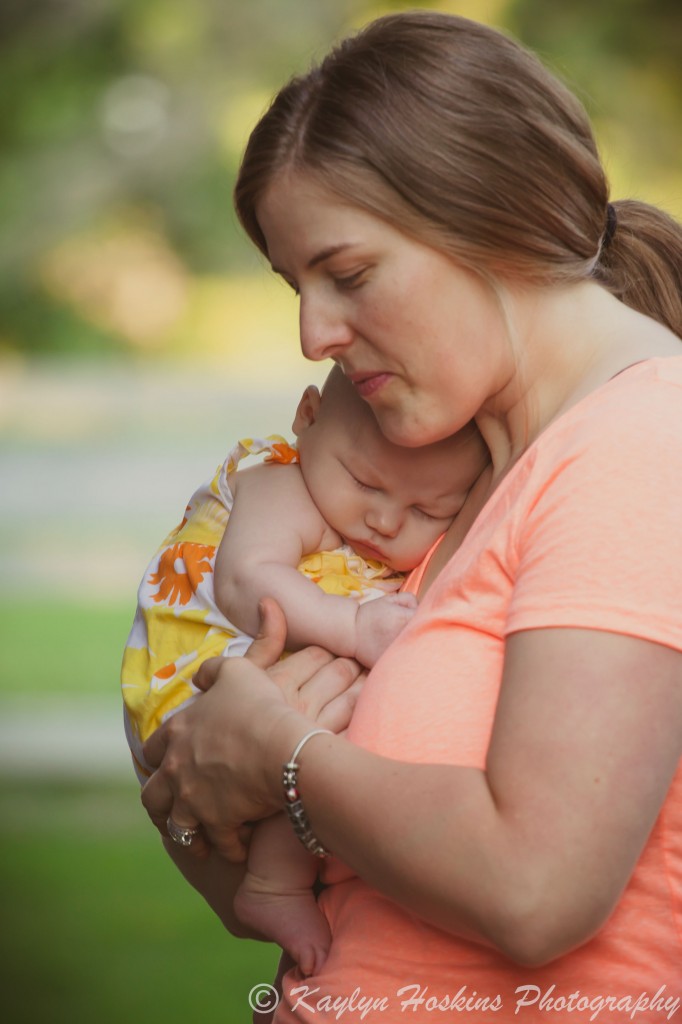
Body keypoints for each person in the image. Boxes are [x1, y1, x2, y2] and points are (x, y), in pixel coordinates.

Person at [139, 10, 682, 1021]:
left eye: (346, 275)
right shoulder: (442, 479)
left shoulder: (643, 441)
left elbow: (537, 888)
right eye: (293, 284)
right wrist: (198, 778)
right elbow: (324, 896)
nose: (311, 333)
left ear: (491, 213)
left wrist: (281, 755)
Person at [122, 363, 487, 977]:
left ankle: (273, 877)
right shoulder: (280, 481)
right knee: (320, 734)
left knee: (326, 736)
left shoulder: (353, 501)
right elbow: (247, 582)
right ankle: (272, 884)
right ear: (307, 418)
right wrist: (352, 627)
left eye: (429, 509)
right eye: (365, 482)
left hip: (269, 677)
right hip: (201, 673)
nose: (386, 521)